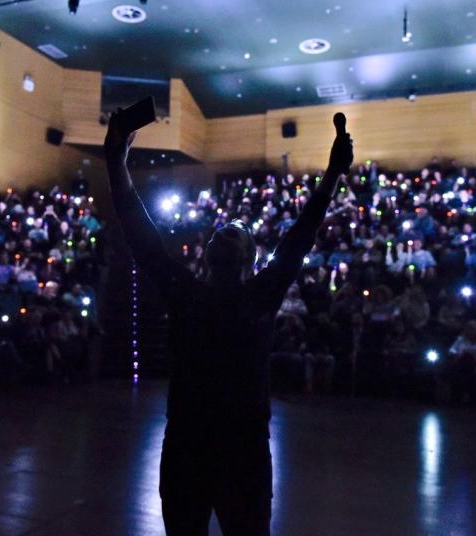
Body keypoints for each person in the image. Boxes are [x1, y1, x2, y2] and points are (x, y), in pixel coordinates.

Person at [105, 111, 353, 535]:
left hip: (244, 453)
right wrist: (116, 165)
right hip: (186, 449)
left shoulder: (261, 293)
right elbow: (140, 234)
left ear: (251, 258)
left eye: (238, 229)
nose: (228, 228)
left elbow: (301, 234)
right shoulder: (186, 292)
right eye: (223, 228)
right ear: (207, 253)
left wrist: (332, 175)